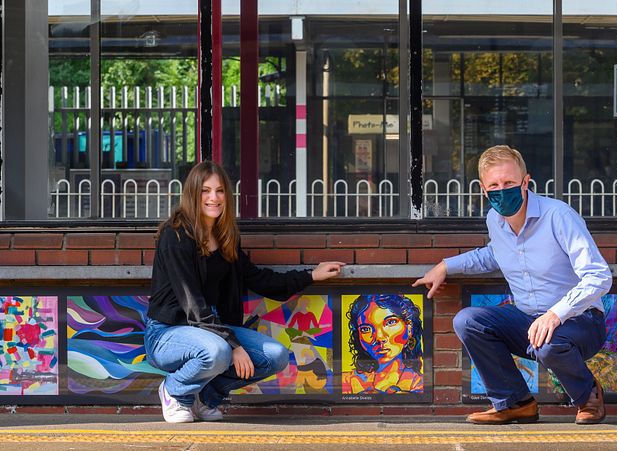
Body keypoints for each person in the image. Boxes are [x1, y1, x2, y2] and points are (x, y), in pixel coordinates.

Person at [413, 145, 611, 425]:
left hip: (581, 321)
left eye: (508, 183)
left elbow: (598, 275)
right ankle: (515, 403)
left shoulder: (559, 216)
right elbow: (494, 254)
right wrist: (445, 266)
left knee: (549, 343)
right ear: (484, 189)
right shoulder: (495, 220)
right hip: (528, 319)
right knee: (468, 320)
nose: (501, 190)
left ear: (525, 183)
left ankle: (587, 395)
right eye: (494, 185)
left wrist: (555, 314)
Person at [145, 161, 344, 423]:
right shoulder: (177, 236)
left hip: (211, 330)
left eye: (219, 191)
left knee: (275, 356)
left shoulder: (225, 238)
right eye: (205, 191)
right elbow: (193, 304)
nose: (213, 198)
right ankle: (175, 391)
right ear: (193, 194)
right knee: (218, 352)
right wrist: (234, 345)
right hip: (166, 333)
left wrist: (310, 275)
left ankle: (205, 396)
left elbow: (259, 279)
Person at [342, 294, 424, 394]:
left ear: (409, 328)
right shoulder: (346, 382)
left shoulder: (419, 384)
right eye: (366, 329)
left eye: (390, 322)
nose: (379, 337)